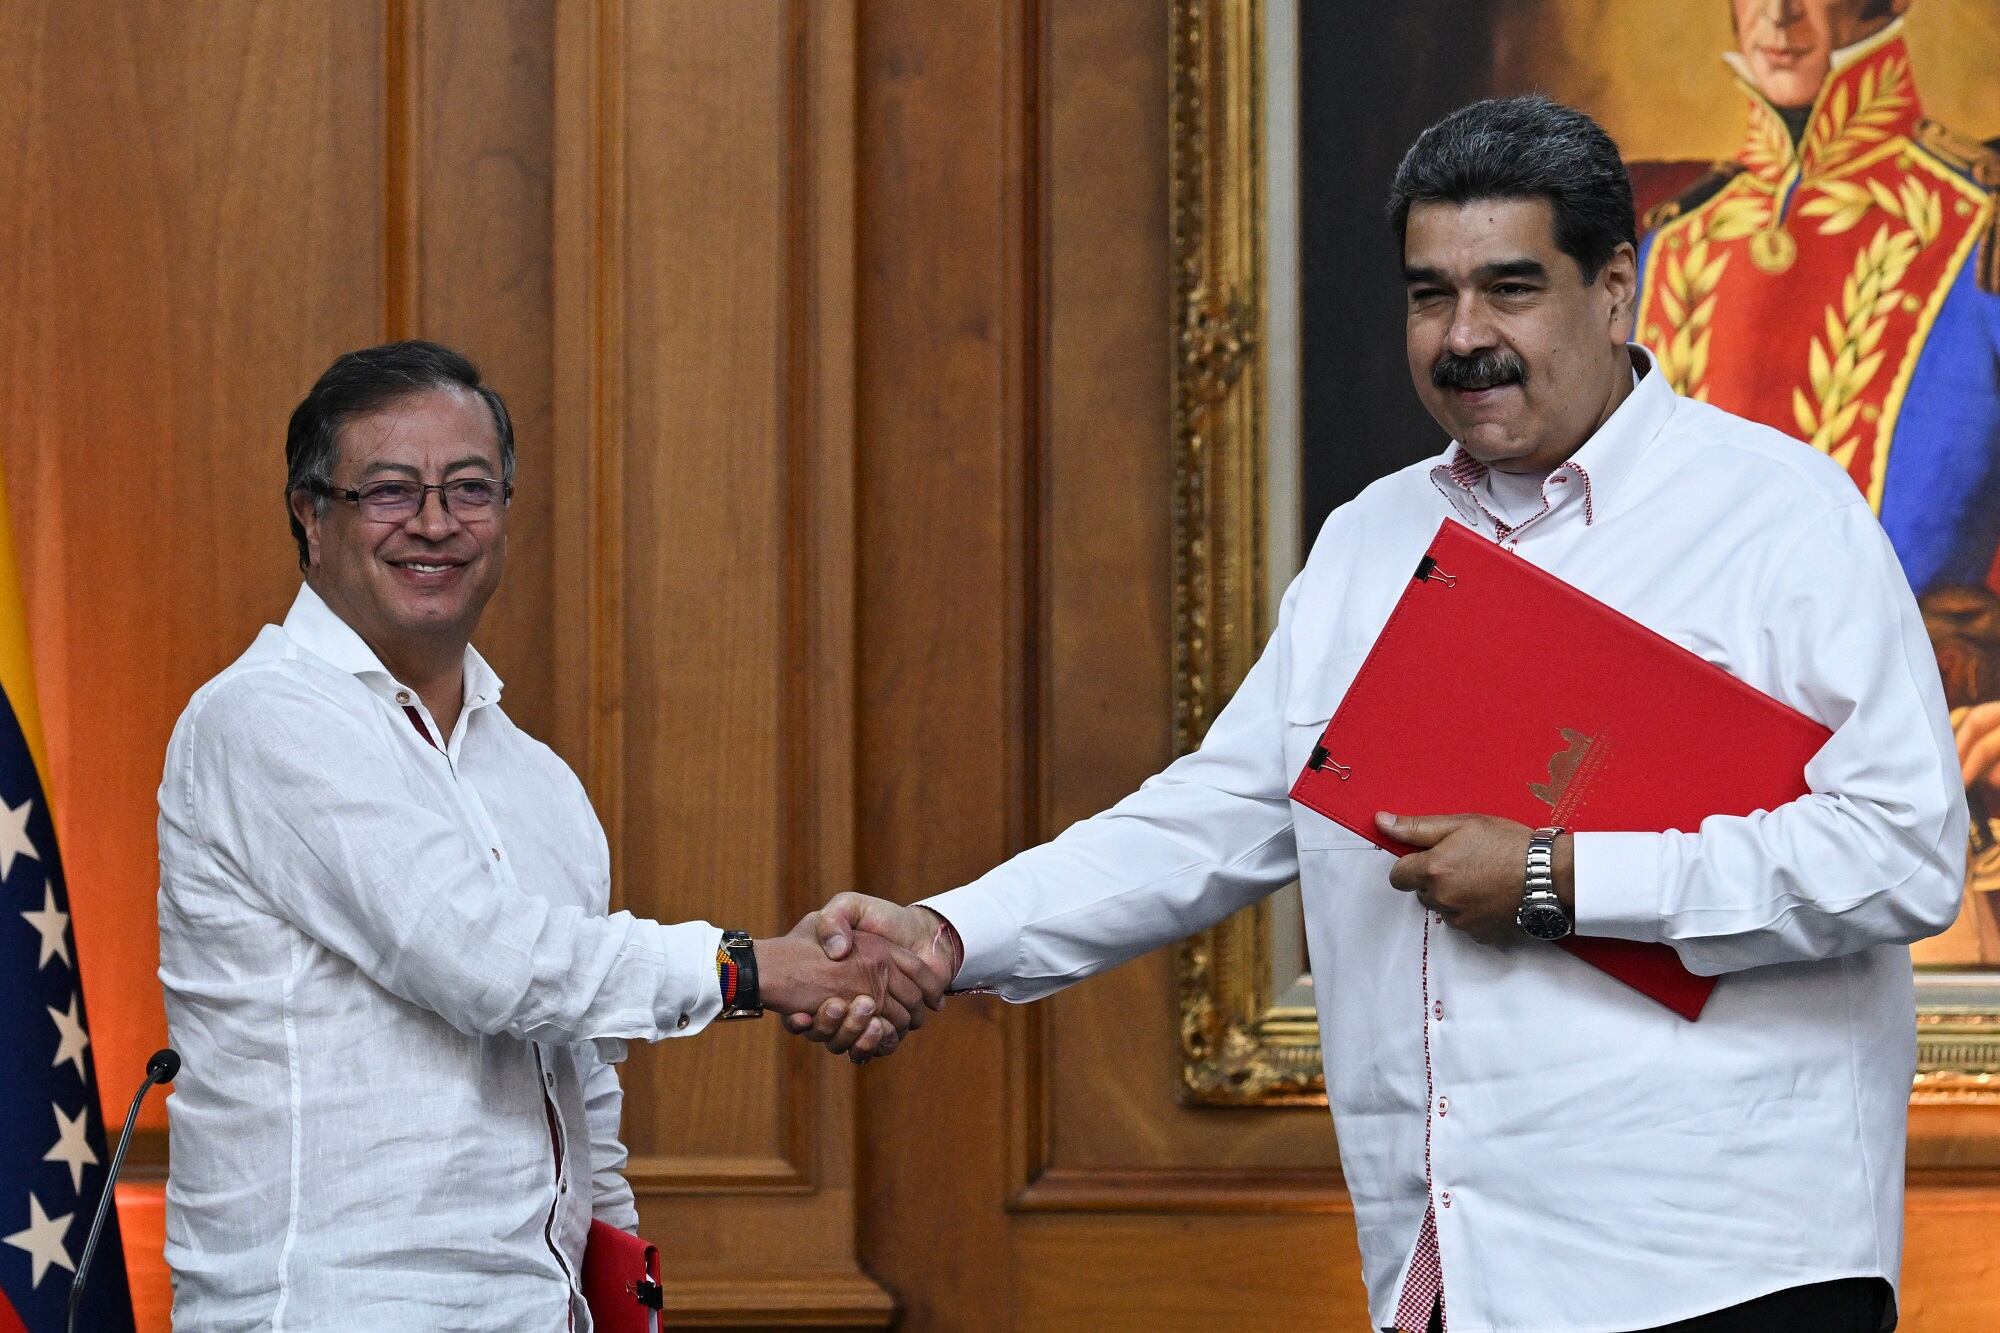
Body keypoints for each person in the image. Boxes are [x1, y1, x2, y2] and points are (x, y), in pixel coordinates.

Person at [794, 98, 1964, 1331]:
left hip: (1719, 1271)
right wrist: (946, 934)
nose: (1463, 338)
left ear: (1613, 287)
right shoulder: (1373, 537)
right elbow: (1215, 813)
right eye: (1428, 295)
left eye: (1509, 289)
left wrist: (1558, 874)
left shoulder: (1777, 514)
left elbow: (1899, 850)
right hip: (1450, 1269)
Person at [155, 341, 941, 1331]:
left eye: (470, 488)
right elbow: (480, 963)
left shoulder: (536, 781)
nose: (435, 523)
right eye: (389, 490)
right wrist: (760, 969)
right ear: (312, 517)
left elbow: (582, 1096)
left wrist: (620, 1305)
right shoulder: (262, 719)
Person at [1629, 0, 2000, 959]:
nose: (1781, 12)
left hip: (1926, 787)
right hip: (1670, 796)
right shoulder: (1669, 239)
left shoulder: (1981, 220)